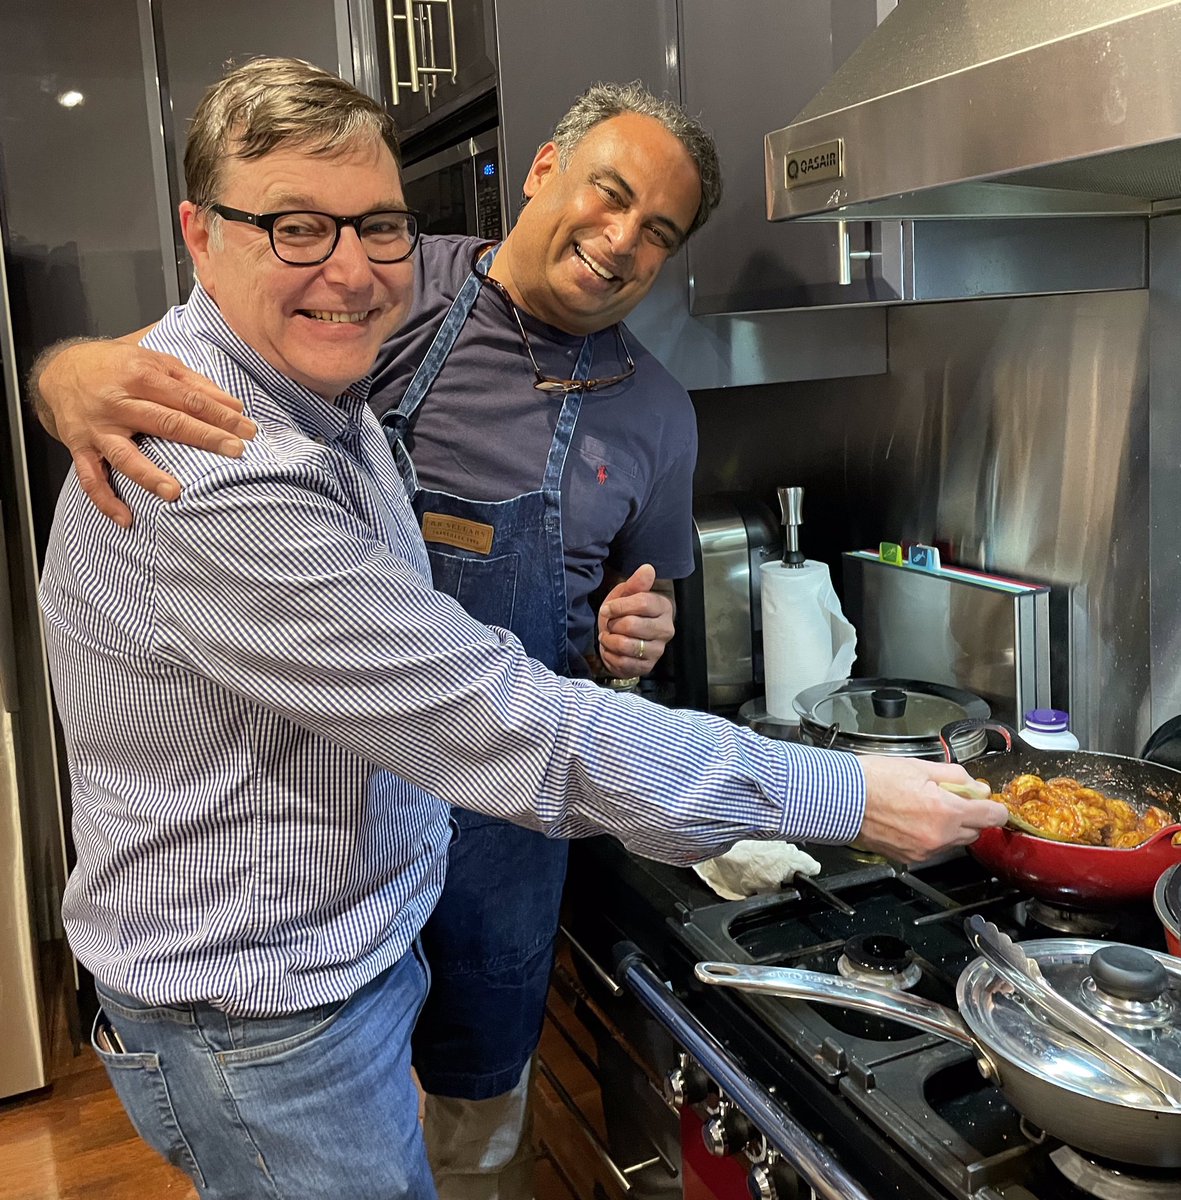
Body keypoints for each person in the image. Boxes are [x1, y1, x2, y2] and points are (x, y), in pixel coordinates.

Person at [36, 55, 1006, 1200]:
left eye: (373, 228)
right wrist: (849, 795)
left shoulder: (345, 367)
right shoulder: (253, 441)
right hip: (269, 991)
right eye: (297, 228)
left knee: (474, 1098)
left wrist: (609, 640)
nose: (348, 268)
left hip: (395, 864)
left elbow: (567, 663)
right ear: (200, 235)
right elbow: (500, 719)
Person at [35, 77, 708, 1200]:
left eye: (659, 232)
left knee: (474, 1087)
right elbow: (200, 340)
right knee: (323, 1110)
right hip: (309, 817)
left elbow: (628, 624)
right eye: (608, 193)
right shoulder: (389, 278)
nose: (621, 242)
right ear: (541, 170)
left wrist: (625, 637)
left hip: (495, 798)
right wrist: (68, 374)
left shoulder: (658, 412)